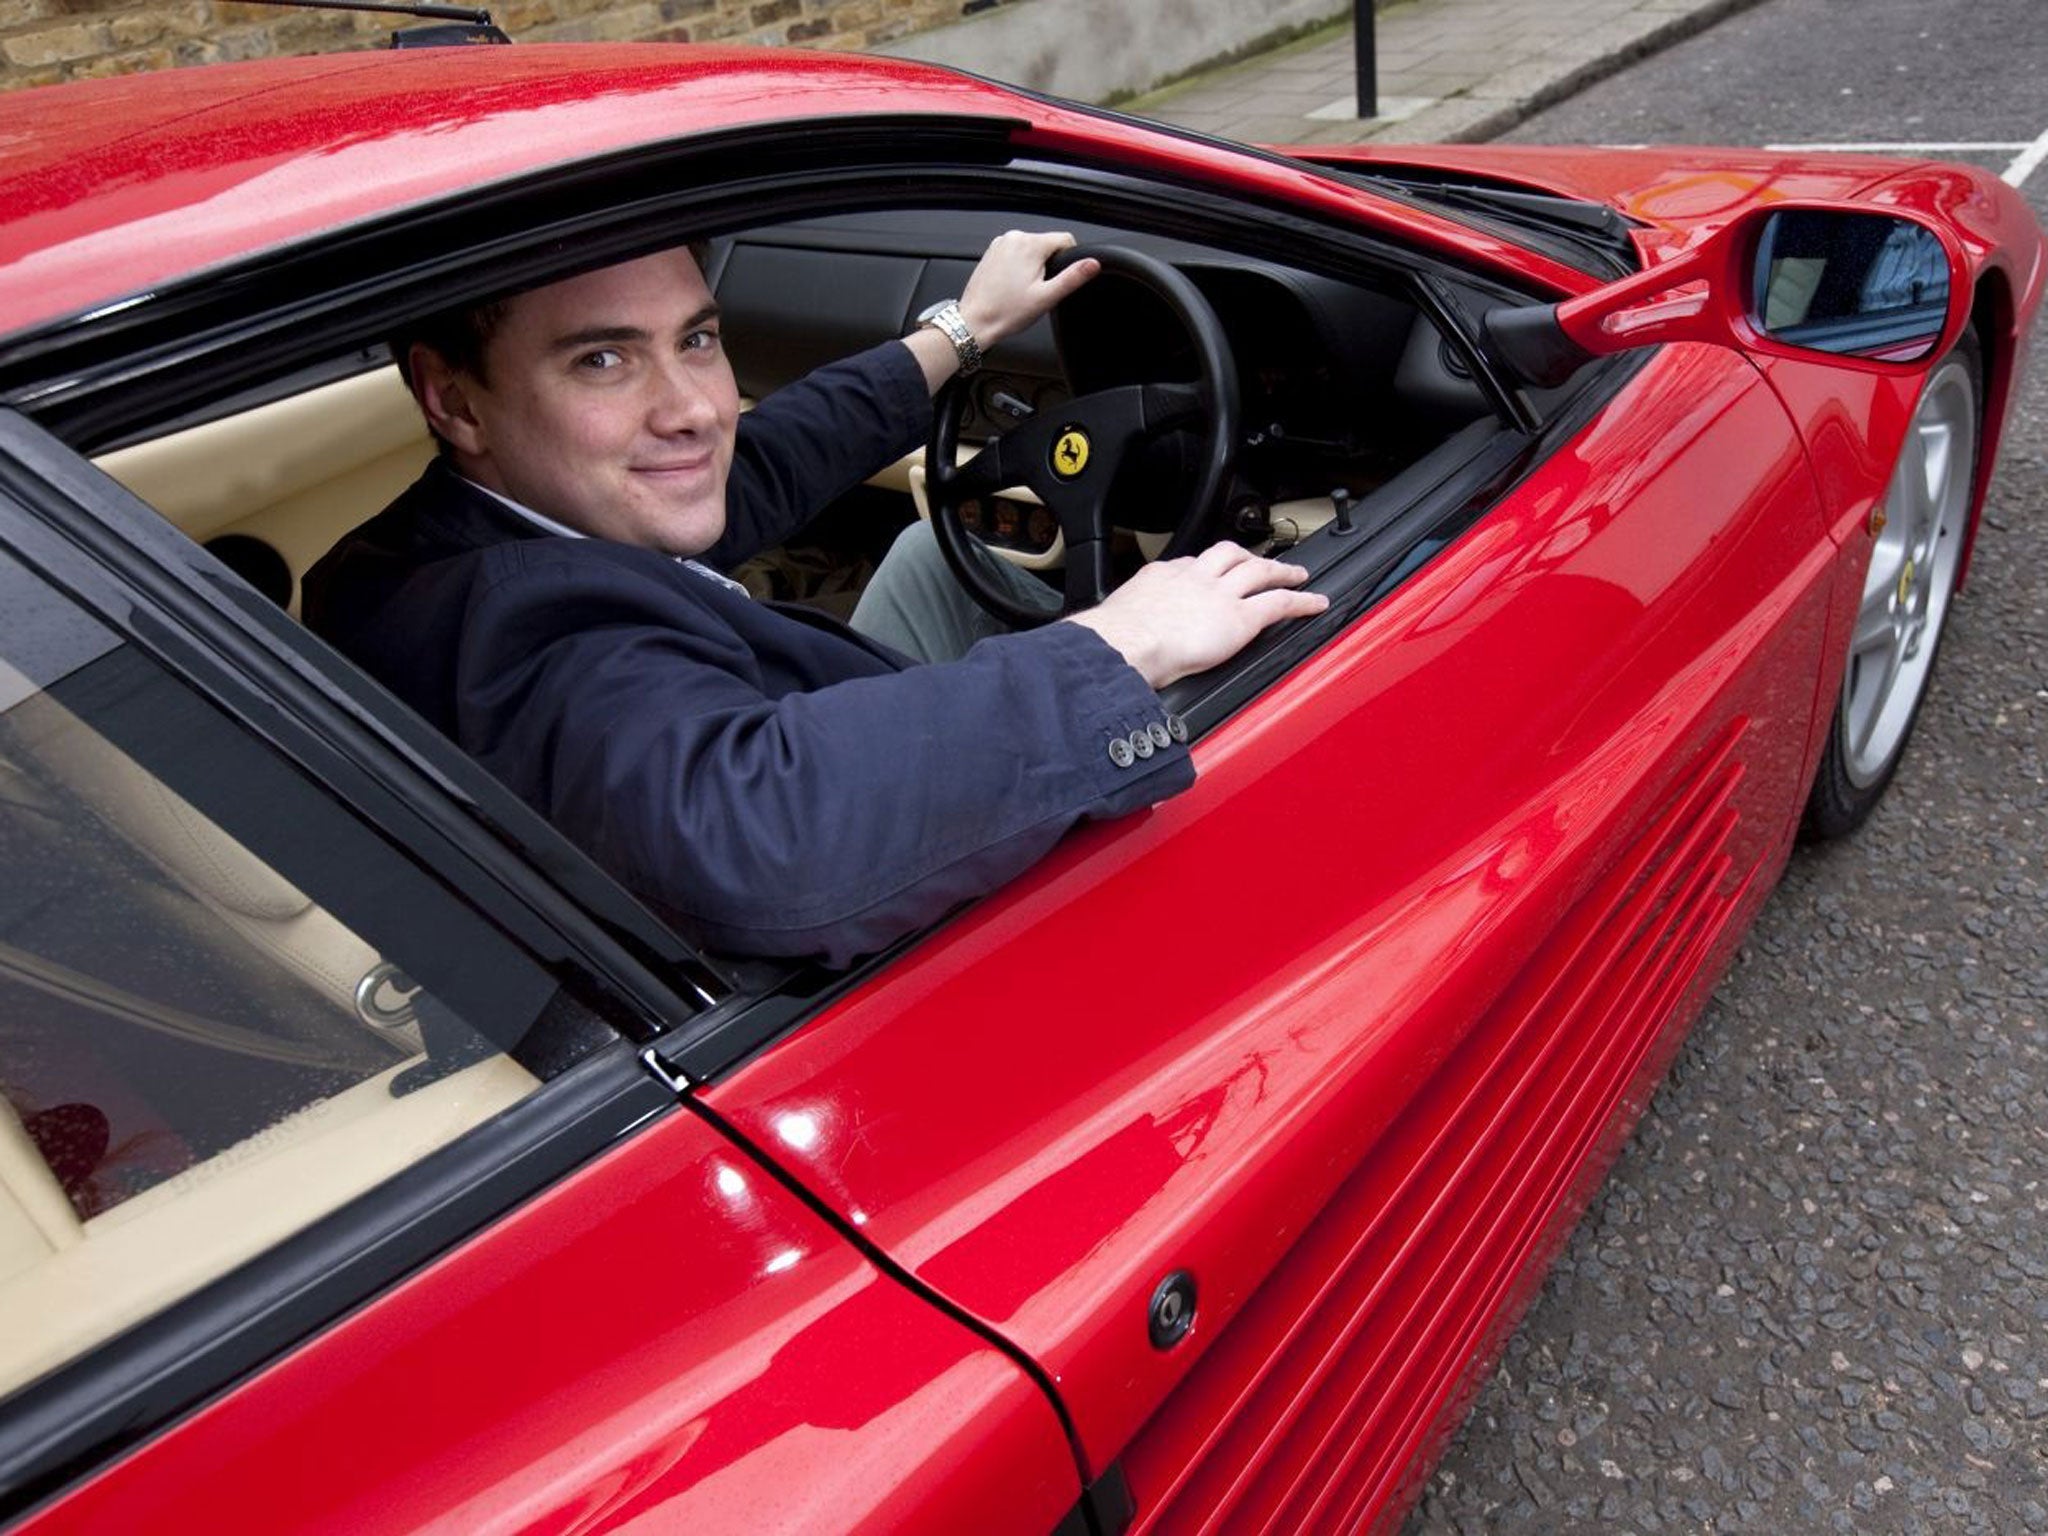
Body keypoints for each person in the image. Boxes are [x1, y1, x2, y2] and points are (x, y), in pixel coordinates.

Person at [305, 230, 1325, 967]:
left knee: (933, 549)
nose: (696, 411)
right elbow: (764, 837)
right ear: (452, 399)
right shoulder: (517, 626)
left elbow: (763, 468)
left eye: (696, 340)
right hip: (831, 940)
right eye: (603, 359)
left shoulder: (430, 542)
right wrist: (1115, 643)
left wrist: (960, 333)